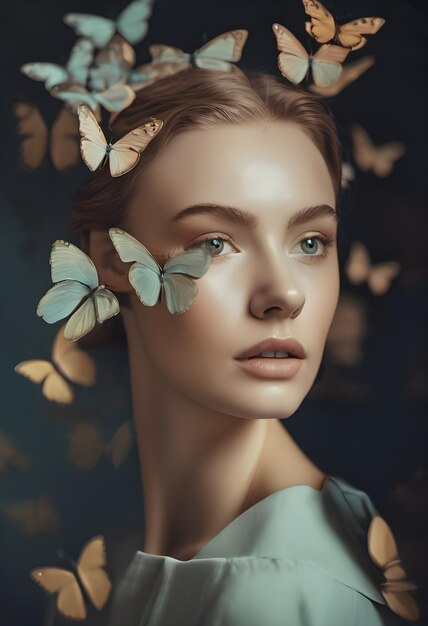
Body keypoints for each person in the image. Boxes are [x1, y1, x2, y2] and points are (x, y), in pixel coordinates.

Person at [47, 67, 420, 625]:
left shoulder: (277, 595)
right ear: (115, 261)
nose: (285, 293)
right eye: (215, 243)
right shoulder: (119, 567)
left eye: (310, 242)